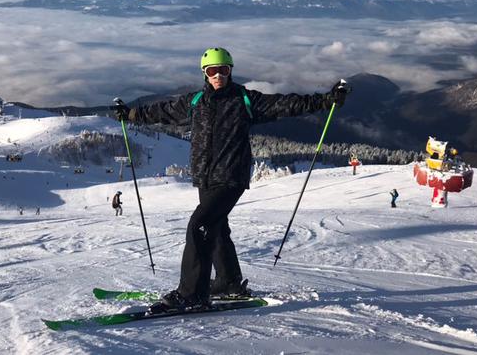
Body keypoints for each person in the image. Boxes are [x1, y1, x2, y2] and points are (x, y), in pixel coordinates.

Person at [113, 47, 348, 312]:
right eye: (212, 71)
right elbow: (162, 111)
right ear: (205, 73)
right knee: (216, 227)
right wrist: (131, 114)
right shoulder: (195, 102)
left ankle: (191, 294)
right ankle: (228, 282)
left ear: (230, 71)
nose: (218, 75)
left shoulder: (245, 100)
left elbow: (286, 103)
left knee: (199, 225)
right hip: (205, 177)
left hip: (231, 176)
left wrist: (327, 100)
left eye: (223, 70)